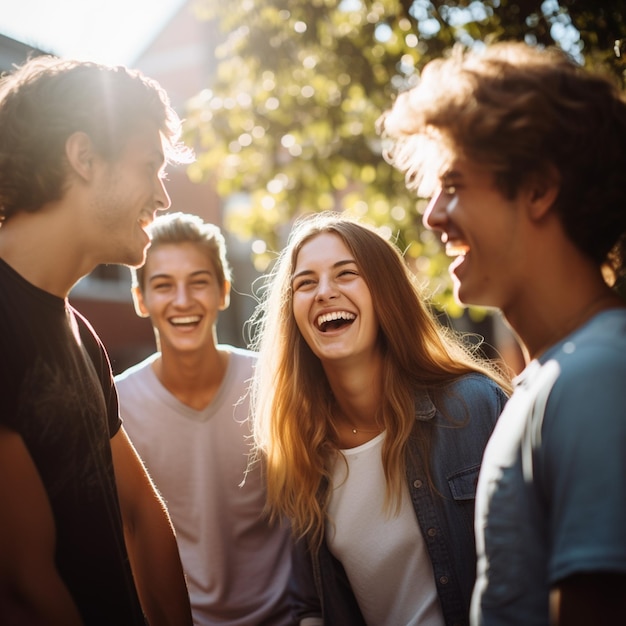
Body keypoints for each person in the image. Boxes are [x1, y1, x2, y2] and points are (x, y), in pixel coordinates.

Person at [379, 41, 626, 625]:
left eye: (456, 185)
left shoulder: (595, 378)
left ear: (539, 189)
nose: (433, 215)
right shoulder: (554, 377)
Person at [0, 56, 194, 625]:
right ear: (83, 157)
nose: (163, 197)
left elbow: (138, 514)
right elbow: (22, 587)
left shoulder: (82, 337)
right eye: (148, 165)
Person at [247, 211, 511, 625]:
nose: (324, 292)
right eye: (305, 282)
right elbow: (311, 606)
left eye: (346, 273)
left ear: (385, 292)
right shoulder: (300, 454)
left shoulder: (474, 407)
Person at [115, 211, 293, 626]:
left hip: (288, 617)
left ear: (223, 291)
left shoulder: (273, 382)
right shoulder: (116, 406)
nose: (182, 300)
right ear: (141, 299)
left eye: (198, 281)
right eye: (163, 285)